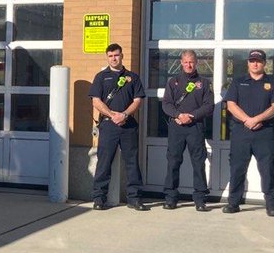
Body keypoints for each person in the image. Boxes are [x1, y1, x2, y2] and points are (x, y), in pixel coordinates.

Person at [223, 49, 274, 216]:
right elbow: (231, 105)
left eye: (258, 61)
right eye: (252, 61)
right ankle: (233, 203)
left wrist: (257, 119)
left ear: (264, 63)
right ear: (248, 63)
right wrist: (247, 120)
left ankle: (271, 205)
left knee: (268, 169)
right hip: (241, 132)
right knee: (237, 168)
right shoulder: (238, 81)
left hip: (264, 133)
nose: (255, 63)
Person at [90, 44, 147, 211]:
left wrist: (125, 115)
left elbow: (138, 100)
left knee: (132, 162)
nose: (114, 58)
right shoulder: (101, 77)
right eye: (110, 56)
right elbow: (96, 101)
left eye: (116, 55)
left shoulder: (133, 77)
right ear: (107, 58)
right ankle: (99, 198)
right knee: (104, 162)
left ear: (122, 56)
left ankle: (134, 198)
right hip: (108, 126)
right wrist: (112, 115)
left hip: (128, 125)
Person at [161, 50, 213, 212]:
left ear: (196, 62)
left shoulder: (204, 82)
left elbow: (208, 106)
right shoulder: (173, 82)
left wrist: (192, 116)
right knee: (173, 162)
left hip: (195, 127)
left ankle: (200, 199)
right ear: (181, 63)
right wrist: (178, 115)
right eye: (185, 62)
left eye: (191, 62)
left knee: (198, 163)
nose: (188, 65)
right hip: (176, 126)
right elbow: (166, 104)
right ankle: (171, 198)